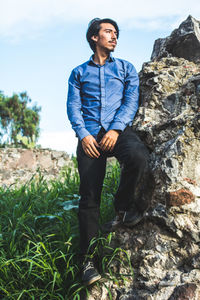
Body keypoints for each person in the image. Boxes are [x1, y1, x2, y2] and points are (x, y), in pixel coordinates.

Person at [67, 18, 153, 286]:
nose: (114, 36)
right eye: (108, 32)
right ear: (94, 37)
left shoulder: (126, 68)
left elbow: (130, 101)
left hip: (117, 132)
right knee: (89, 199)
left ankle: (122, 208)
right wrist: (83, 135)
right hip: (90, 137)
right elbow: (73, 107)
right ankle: (88, 262)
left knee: (138, 157)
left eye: (116, 33)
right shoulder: (79, 72)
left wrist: (116, 130)